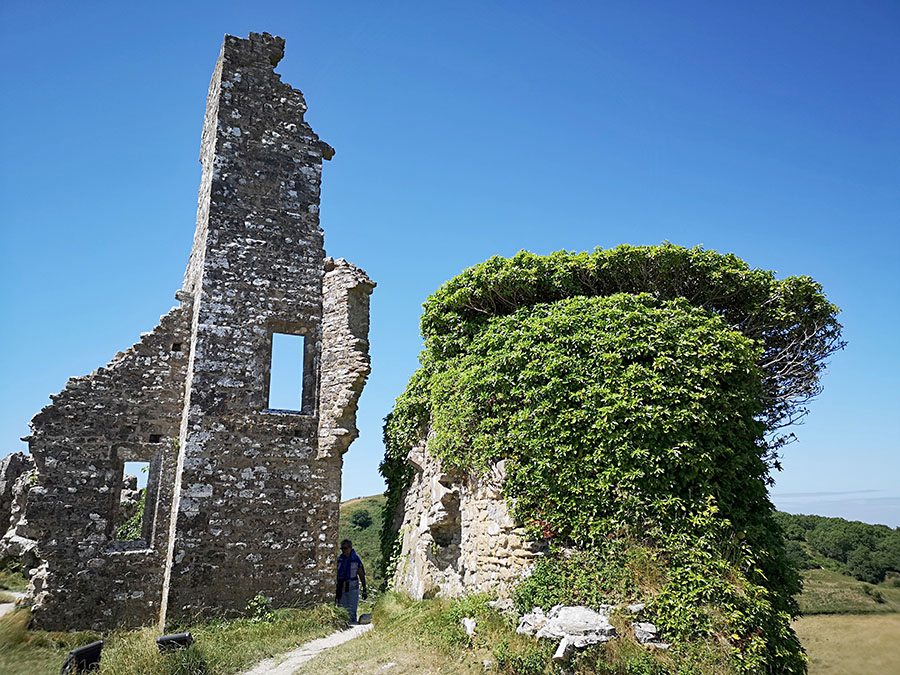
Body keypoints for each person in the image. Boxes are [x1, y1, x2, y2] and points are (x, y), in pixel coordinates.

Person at [335, 538, 367, 623]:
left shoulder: (355, 560)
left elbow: (361, 574)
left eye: (345, 548)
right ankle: (343, 623)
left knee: (352, 608)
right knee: (342, 607)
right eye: (342, 549)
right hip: (341, 586)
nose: (343, 551)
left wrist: (364, 589)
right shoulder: (339, 560)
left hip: (352, 586)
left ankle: (352, 623)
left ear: (350, 548)